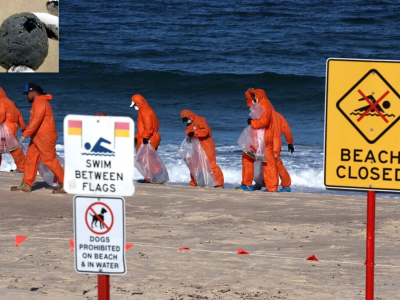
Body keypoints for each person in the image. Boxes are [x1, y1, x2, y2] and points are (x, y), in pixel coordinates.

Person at [10, 83, 65, 193]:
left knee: (49, 160)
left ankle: (64, 183)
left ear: (33, 92)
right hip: (37, 137)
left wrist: (24, 136)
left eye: (27, 94)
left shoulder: (40, 102)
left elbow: (36, 121)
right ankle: (27, 184)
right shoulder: (37, 102)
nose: (26, 96)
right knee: (31, 159)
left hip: (45, 137)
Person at [239, 88, 279, 192]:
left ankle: (271, 187)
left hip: (264, 138)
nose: (251, 98)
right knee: (248, 158)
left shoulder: (264, 104)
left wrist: (252, 123)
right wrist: (248, 93)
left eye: (253, 96)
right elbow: (249, 103)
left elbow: (264, 121)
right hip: (256, 138)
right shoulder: (257, 103)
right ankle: (247, 183)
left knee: (267, 162)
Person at [180, 109, 224, 188]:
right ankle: (194, 181)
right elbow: (188, 131)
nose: (185, 122)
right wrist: (189, 134)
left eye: (185, 119)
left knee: (211, 164)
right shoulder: (189, 123)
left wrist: (194, 133)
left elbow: (205, 131)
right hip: (196, 145)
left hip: (206, 144)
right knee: (195, 164)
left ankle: (219, 182)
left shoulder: (200, 119)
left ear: (189, 117)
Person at [253, 111, 294, 192]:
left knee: (274, 164)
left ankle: (285, 185)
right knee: (263, 162)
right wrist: (290, 142)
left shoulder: (264, 114)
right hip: (269, 142)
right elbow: (286, 129)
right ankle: (260, 182)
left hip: (270, 143)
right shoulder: (279, 116)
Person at [130, 94, 161, 183]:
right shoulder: (143, 110)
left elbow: (148, 126)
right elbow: (144, 128)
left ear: (138, 103)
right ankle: (152, 177)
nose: (135, 107)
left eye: (135, 105)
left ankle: (154, 176)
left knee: (145, 158)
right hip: (149, 135)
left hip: (149, 136)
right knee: (146, 158)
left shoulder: (145, 111)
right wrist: (137, 137)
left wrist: (145, 137)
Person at [0, 87, 26, 172]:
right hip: (12, 128)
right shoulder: (10, 102)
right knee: (15, 148)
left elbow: (1, 114)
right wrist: (23, 127)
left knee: (14, 149)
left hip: (5, 129)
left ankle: (22, 168)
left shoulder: (1, 102)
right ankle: (22, 167)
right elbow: (19, 115)